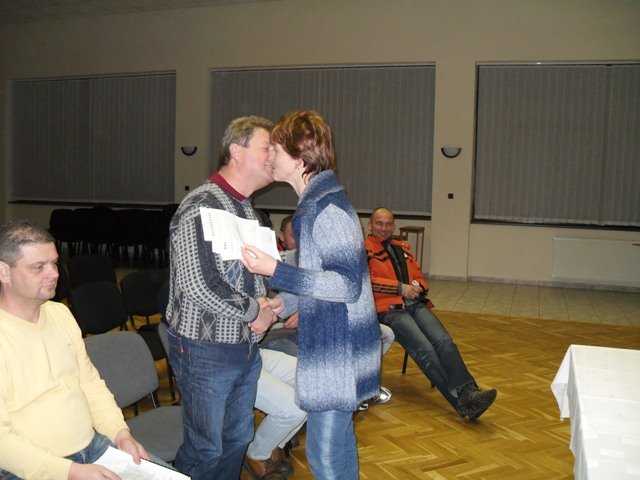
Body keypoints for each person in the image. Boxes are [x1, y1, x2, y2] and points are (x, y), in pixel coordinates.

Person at [241, 110, 381, 480]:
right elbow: (320, 278)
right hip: (336, 345)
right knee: (337, 447)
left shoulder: (326, 208)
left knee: (325, 457)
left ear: (300, 159)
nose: (270, 157)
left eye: (276, 150)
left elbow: (345, 285)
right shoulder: (318, 203)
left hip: (338, 350)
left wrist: (276, 270)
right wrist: (284, 301)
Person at [165, 116, 283, 480]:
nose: (273, 157)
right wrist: (255, 311)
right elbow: (198, 283)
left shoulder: (245, 208)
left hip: (243, 346)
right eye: (266, 148)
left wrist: (267, 302)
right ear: (236, 151)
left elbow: (247, 275)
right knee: (206, 450)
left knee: (237, 439)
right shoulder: (201, 205)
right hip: (206, 350)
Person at [0, 220, 149, 480]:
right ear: (3, 271)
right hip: (35, 467)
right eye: (39, 267)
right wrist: (71, 472)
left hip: (93, 445)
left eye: (54, 263)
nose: (54, 274)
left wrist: (120, 433)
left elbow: (89, 383)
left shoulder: (60, 313)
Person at [365, 207, 497, 421]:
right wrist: (400, 288)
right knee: (425, 350)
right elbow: (368, 282)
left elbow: (419, 277)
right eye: (379, 223)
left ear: (393, 226)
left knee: (445, 342)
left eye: (388, 224)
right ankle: (462, 403)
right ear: (370, 225)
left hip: (414, 304)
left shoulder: (402, 248)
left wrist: (418, 286)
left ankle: (470, 392)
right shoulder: (363, 251)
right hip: (389, 311)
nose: (384, 228)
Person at [245, 348, 306, 479]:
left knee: (315, 382)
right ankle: (255, 455)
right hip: (227, 362)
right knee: (295, 409)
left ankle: (274, 444)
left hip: (252, 352)